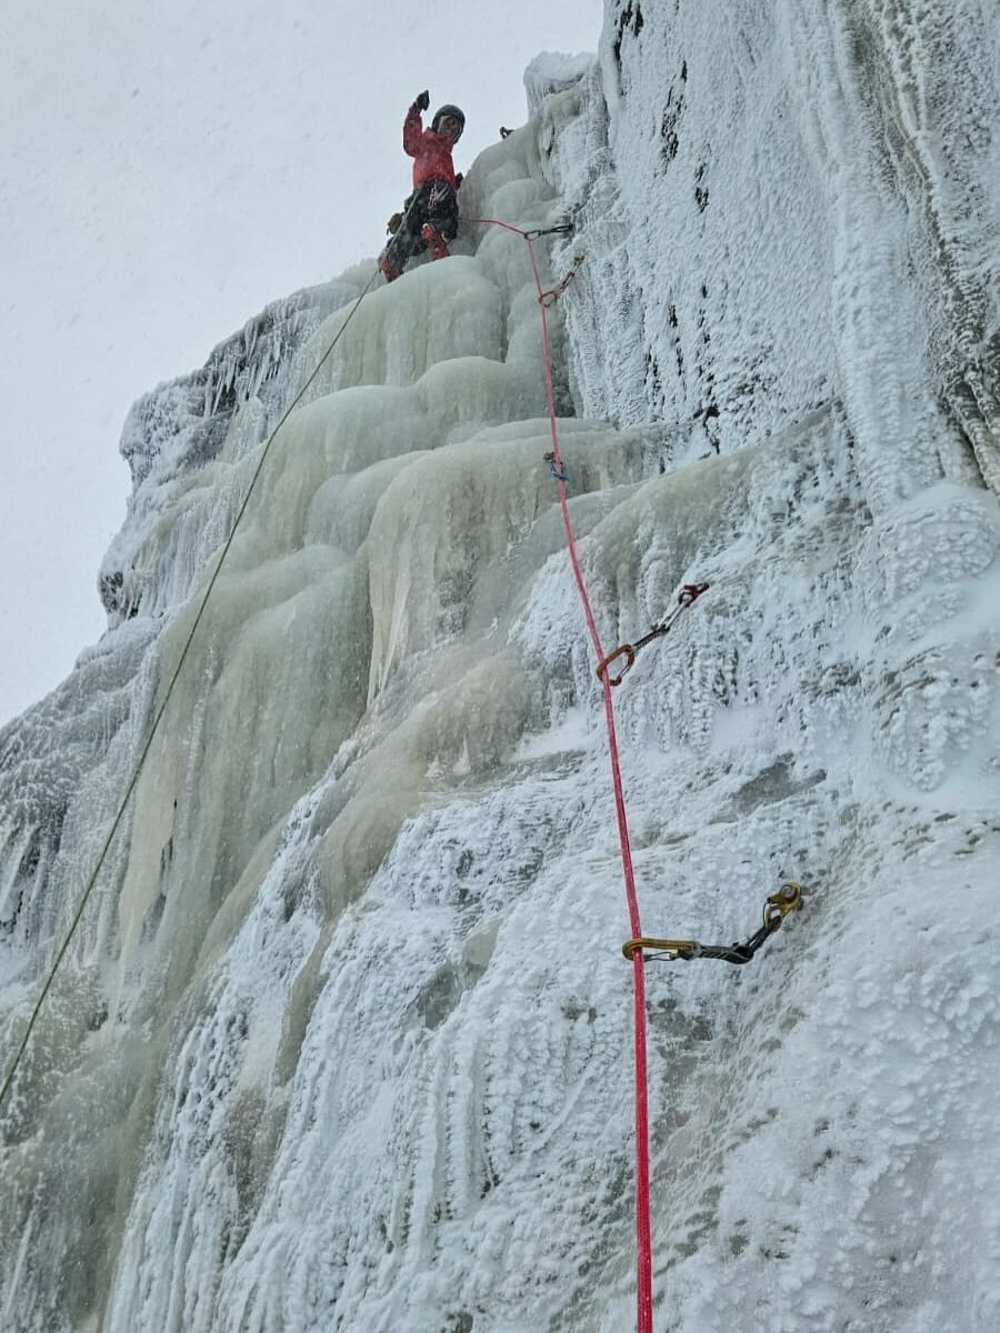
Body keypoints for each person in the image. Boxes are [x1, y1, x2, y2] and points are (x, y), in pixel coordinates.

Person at [378, 92, 465, 283]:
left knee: (412, 228)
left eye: (455, 129)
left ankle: (394, 256)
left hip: (421, 197)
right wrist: (415, 110)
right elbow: (410, 141)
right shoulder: (428, 142)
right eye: (448, 123)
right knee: (446, 216)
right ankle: (433, 234)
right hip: (433, 189)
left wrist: (456, 183)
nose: (450, 130)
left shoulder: (443, 155)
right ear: (437, 124)